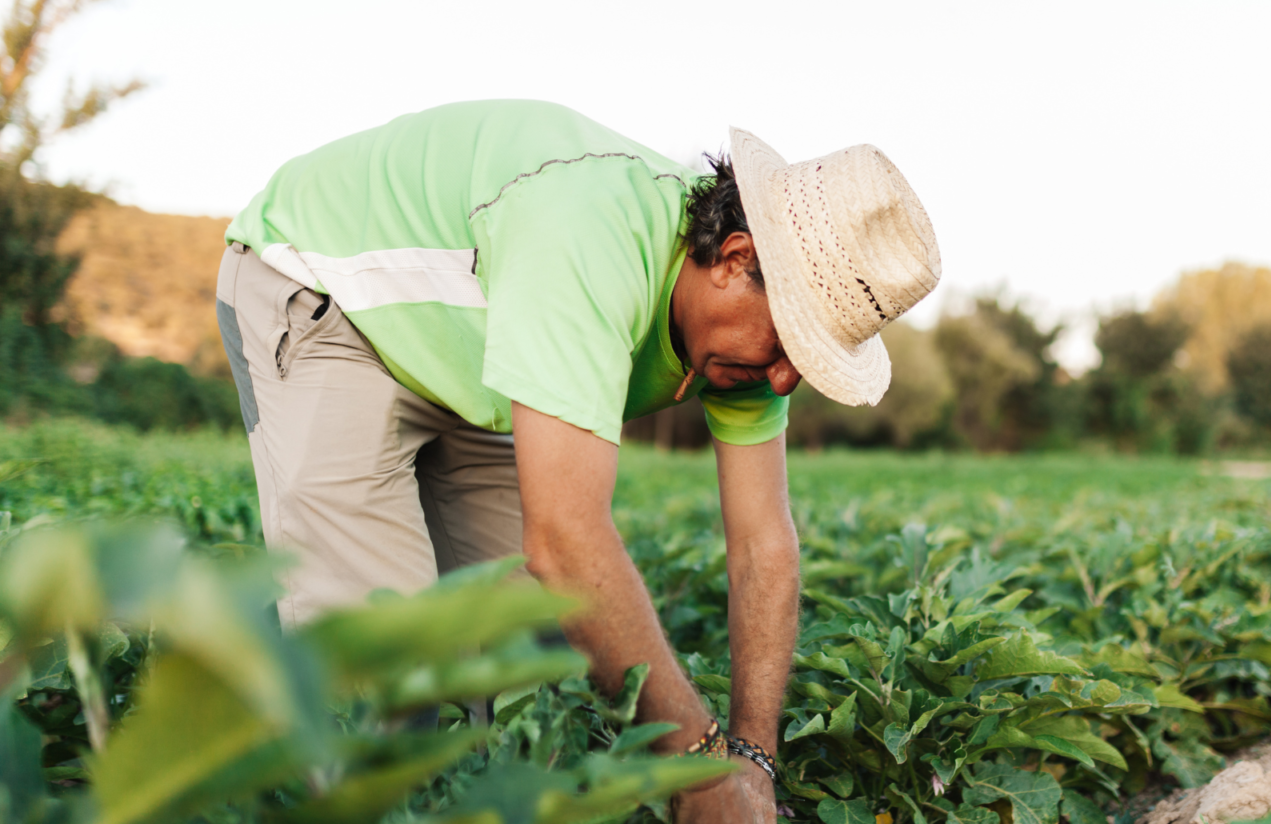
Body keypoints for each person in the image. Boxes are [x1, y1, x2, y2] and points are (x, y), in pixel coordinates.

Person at [214, 100, 941, 823]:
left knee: (529, 653)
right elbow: (565, 541)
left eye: (809, 362)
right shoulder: (589, 239)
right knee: (387, 668)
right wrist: (698, 764)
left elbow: (763, 547)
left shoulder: (743, 346)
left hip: (473, 360)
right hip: (322, 290)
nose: (786, 380)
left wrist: (751, 759)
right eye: (789, 345)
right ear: (736, 259)